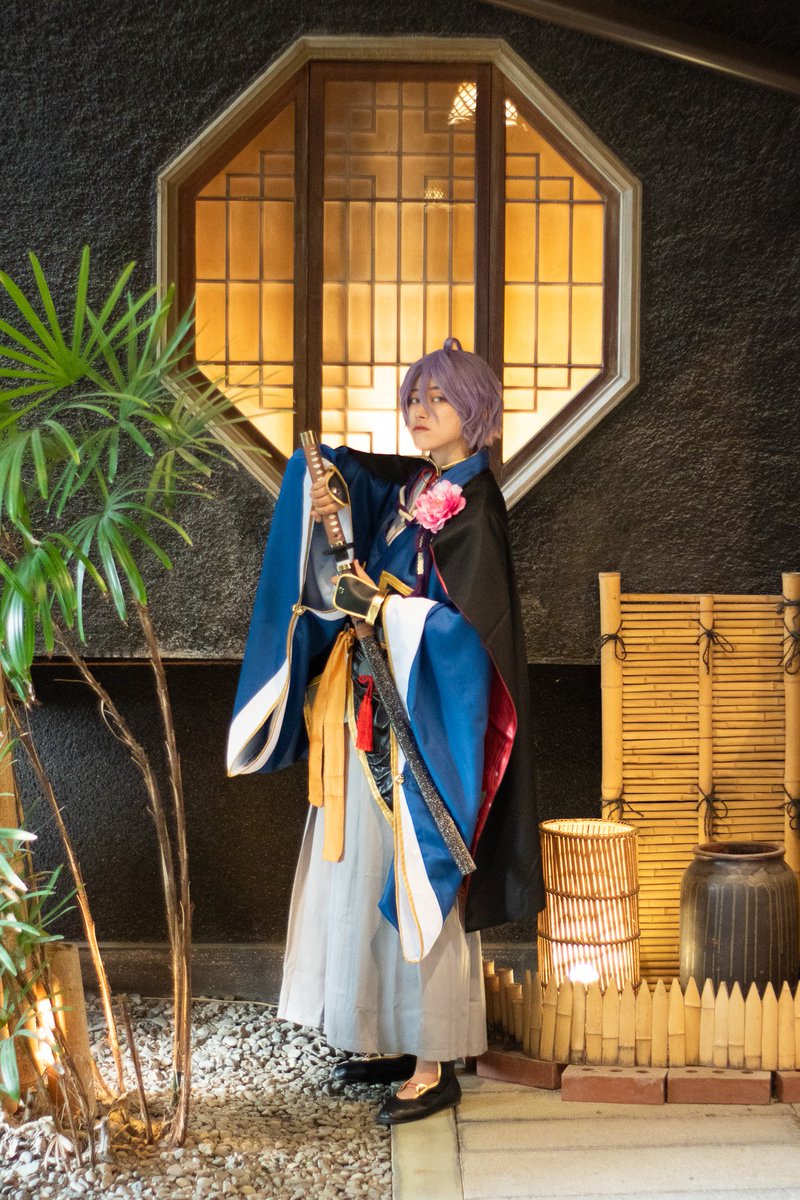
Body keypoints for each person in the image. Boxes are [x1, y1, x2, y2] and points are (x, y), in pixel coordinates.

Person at [227, 338, 543, 1125]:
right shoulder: (418, 488)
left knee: (421, 878)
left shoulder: (475, 509)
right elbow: (354, 495)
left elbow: (470, 638)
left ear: (476, 409)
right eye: (413, 397)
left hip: (425, 727)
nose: (419, 410)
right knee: (370, 875)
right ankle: (395, 1038)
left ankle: (434, 1062)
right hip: (371, 712)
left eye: (438, 398)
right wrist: (326, 497)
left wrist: (380, 608)